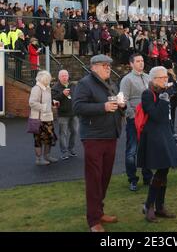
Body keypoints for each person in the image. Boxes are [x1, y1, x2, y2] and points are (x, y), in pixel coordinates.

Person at [73, 54, 126, 233]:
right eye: (104, 65)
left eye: (109, 66)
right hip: (93, 137)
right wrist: (102, 107)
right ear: (94, 67)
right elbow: (78, 107)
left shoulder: (111, 84)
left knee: (104, 177)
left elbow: (115, 105)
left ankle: (99, 211)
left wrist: (122, 106)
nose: (108, 68)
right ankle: (93, 220)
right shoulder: (84, 84)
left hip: (111, 135)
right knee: (94, 179)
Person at [137, 66, 177, 222]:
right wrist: (163, 100)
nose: (166, 80)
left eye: (166, 77)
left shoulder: (163, 93)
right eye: (162, 77)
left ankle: (159, 206)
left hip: (165, 134)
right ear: (154, 79)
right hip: (154, 137)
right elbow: (155, 115)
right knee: (161, 171)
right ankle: (149, 206)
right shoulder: (147, 94)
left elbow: (167, 117)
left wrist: (173, 132)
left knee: (164, 171)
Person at [120, 53, 152, 191]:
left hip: (149, 119)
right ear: (131, 64)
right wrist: (132, 115)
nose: (141, 63)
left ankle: (147, 176)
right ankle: (132, 179)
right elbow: (123, 99)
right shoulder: (127, 80)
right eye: (138, 61)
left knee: (147, 149)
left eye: (142, 61)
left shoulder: (148, 77)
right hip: (134, 120)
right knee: (132, 150)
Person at [29, 70, 58, 166]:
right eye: (47, 79)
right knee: (38, 139)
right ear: (43, 79)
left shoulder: (47, 88)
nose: (49, 81)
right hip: (39, 119)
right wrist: (45, 107)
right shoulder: (36, 89)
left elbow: (47, 100)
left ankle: (47, 156)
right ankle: (39, 159)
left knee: (50, 138)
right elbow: (32, 103)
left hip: (48, 118)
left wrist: (53, 103)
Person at [51, 70, 79, 160]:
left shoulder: (73, 85)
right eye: (62, 76)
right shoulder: (55, 87)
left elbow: (78, 96)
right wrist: (62, 94)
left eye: (66, 75)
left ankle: (71, 148)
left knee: (74, 131)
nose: (64, 77)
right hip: (63, 114)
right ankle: (64, 152)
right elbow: (53, 100)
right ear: (59, 77)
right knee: (63, 133)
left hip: (74, 113)